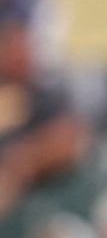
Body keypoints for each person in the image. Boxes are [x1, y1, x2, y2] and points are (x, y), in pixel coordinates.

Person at [0, 17, 88, 223]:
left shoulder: (46, 96)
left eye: (23, 46)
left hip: (38, 189)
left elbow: (70, 138)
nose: (19, 54)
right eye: (10, 47)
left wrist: (23, 161)